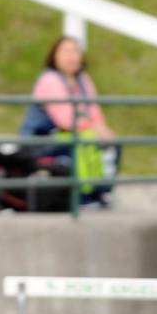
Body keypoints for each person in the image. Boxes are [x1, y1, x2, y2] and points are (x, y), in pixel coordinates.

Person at [20, 36, 118, 203]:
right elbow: (66, 120)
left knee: (111, 141)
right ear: (55, 55)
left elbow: (93, 108)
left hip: (74, 132)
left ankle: (102, 191)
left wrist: (102, 127)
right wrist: (95, 128)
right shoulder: (49, 80)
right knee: (85, 141)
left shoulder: (83, 79)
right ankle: (84, 196)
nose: (71, 57)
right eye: (66, 52)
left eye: (75, 52)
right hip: (43, 139)